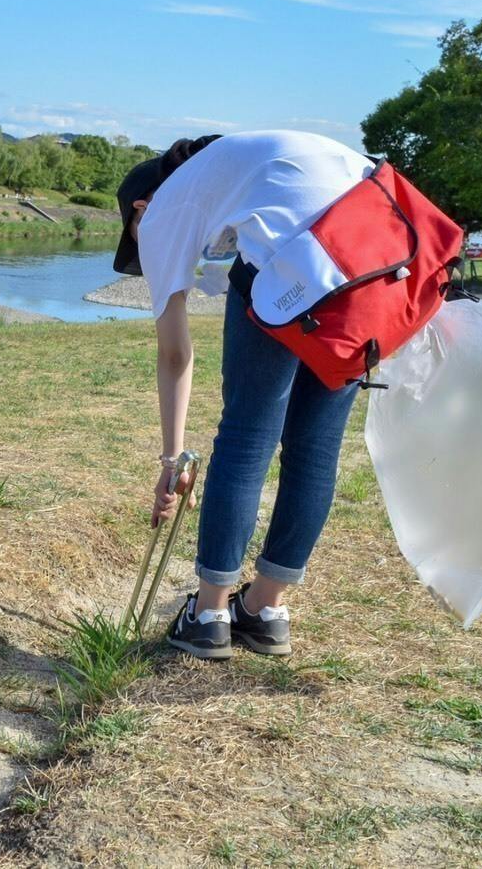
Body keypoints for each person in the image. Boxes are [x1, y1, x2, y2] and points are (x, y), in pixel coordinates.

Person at [114, 130, 377, 660]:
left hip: (301, 249)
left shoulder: (167, 208)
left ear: (142, 206)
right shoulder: (235, 171)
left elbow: (175, 355)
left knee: (247, 434)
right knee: (314, 445)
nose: (145, 244)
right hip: (374, 262)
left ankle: (209, 613)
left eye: (133, 232)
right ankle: (264, 611)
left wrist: (173, 458)